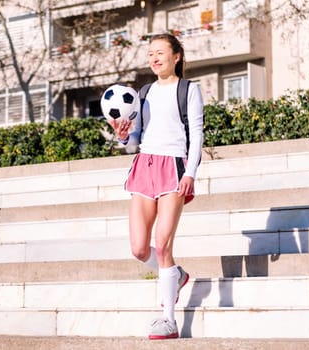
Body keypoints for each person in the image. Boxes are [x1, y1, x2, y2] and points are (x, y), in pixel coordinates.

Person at [109, 33, 204, 339]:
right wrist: (122, 135)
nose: (154, 58)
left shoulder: (189, 90)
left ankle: (168, 319)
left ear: (177, 56)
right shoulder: (143, 92)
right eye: (150, 53)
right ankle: (176, 275)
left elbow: (197, 135)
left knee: (162, 245)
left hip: (173, 167)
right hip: (143, 167)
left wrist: (190, 173)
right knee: (139, 248)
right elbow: (131, 141)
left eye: (160, 52)